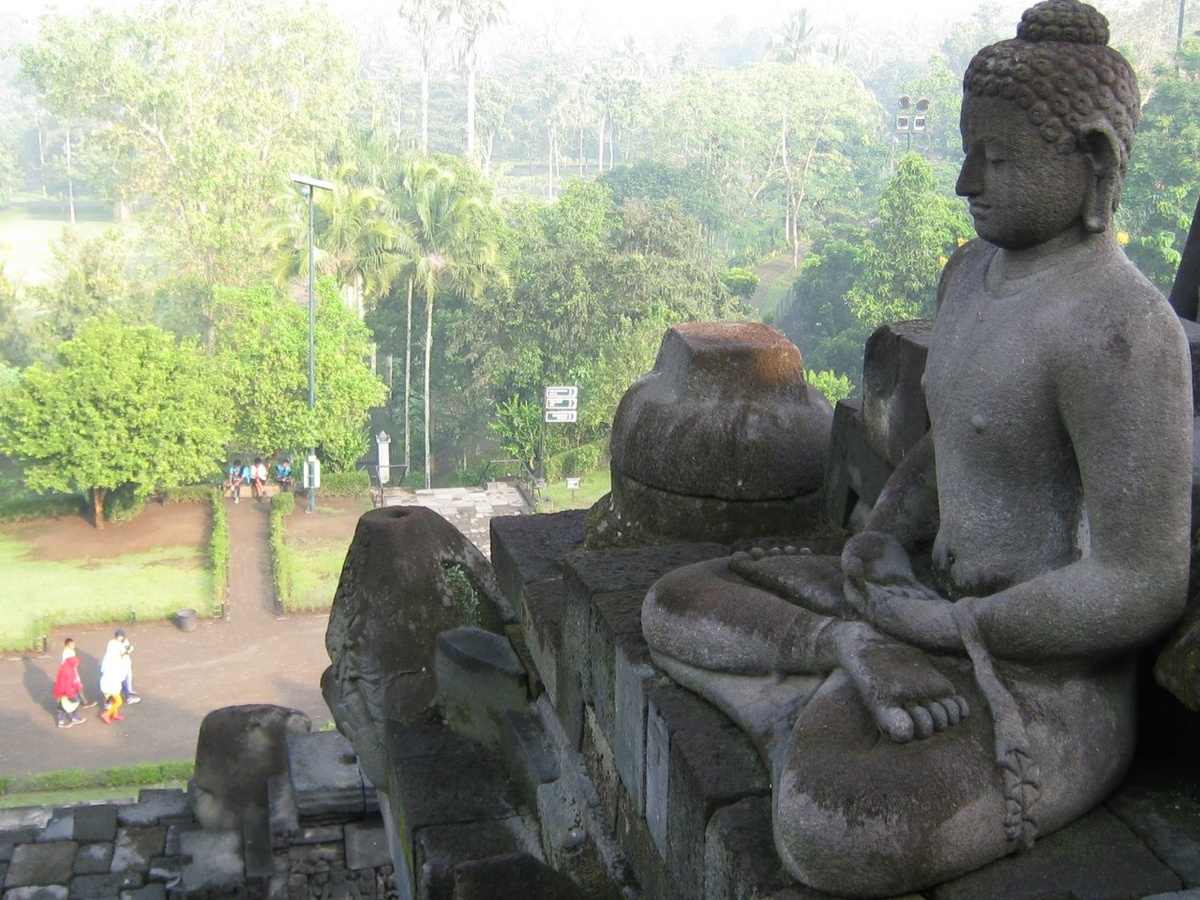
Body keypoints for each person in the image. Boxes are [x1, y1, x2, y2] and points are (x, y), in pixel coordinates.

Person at [640, 2, 1192, 895]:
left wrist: (961, 626)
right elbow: (952, 444)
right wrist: (882, 536)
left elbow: (1142, 579)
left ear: (1091, 160)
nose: (967, 179)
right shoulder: (970, 275)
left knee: (836, 826)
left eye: (998, 158)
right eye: (969, 148)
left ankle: (813, 697)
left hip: (1038, 668)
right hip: (913, 598)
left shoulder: (1123, 330)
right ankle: (844, 659)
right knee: (674, 598)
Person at [52, 639, 87, 728]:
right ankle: (63, 721)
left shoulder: (67, 668)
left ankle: (71, 719)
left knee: (67, 705)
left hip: (64, 690)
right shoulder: (67, 672)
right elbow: (67, 685)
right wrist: (71, 694)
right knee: (69, 704)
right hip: (65, 691)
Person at [98, 634, 128, 724]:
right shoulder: (117, 659)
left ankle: (114, 714)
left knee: (115, 699)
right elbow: (122, 672)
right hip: (111, 683)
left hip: (108, 682)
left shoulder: (107, 657)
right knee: (119, 701)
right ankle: (106, 714)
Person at [61, 637, 97, 709]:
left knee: (75, 688)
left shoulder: (67, 652)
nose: (74, 646)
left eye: (73, 644)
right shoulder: (69, 653)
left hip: (68, 673)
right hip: (70, 674)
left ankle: (82, 702)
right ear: (67, 646)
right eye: (71, 645)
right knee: (77, 687)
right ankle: (82, 703)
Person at [115, 628, 139, 704]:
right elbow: (123, 654)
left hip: (126, 662)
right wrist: (129, 650)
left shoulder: (125, 641)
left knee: (128, 676)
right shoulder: (115, 644)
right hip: (119, 664)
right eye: (118, 636)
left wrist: (129, 650)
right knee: (123, 679)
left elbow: (126, 652)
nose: (119, 638)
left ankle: (129, 690)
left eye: (120, 636)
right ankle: (127, 696)